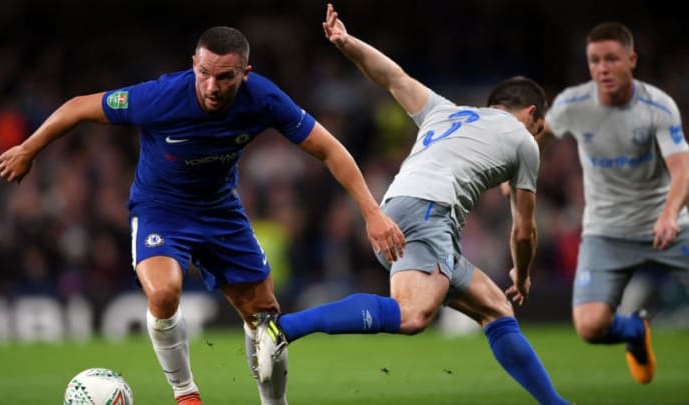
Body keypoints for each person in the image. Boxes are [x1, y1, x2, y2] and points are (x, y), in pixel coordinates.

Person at [0, 26, 405, 405]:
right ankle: (186, 394)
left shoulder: (263, 99)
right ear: (194, 63)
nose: (212, 86)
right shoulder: (160, 97)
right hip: (161, 211)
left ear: (246, 73)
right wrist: (29, 149)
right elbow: (79, 107)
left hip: (220, 213)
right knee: (163, 292)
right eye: (205, 73)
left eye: (225, 77)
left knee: (265, 320)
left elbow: (329, 148)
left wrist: (371, 212)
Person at [252, 4, 572, 405]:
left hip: (403, 206)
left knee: (496, 308)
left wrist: (347, 42)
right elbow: (525, 230)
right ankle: (282, 329)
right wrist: (523, 275)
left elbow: (392, 76)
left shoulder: (446, 111)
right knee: (412, 315)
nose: (538, 137)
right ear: (532, 115)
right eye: (539, 129)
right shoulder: (524, 140)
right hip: (428, 211)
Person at [534, 21, 689, 385]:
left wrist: (669, 214)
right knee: (590, 326)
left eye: (611, 59)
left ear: (631, 59)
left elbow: (682, 170)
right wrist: (517, 172)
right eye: (594, 60)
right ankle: (635, 331)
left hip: (667, 226)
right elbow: (539, 137)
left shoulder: (657, 107)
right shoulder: (574, 104)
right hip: (607, 232)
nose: (603, 68)